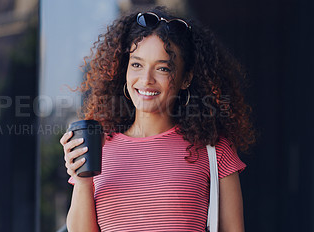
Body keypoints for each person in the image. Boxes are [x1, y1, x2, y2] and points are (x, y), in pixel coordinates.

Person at [60, 6, 255, 232]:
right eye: (137, 65)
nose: (146, 80)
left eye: (163, 68)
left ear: (186, 78)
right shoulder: (98, 148)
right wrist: (82, 179)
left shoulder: (215, 149)